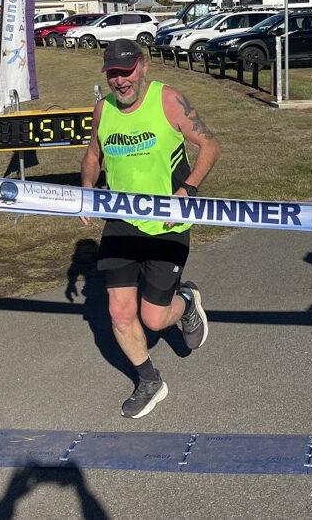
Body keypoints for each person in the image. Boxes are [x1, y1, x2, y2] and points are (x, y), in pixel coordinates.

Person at [80, 38, 220, 418]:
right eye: (112, 74)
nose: (120, 82)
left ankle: (187, 303)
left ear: (142, 67)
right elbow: (94, 152)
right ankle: (149, 380)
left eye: (125, 72)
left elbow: (209, 145)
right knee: (119, 312)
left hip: (166, 225)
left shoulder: (168, 100)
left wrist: (188, 188)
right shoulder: (103, 108)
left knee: (154, 318)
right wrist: (87, 190)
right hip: (120, 224)